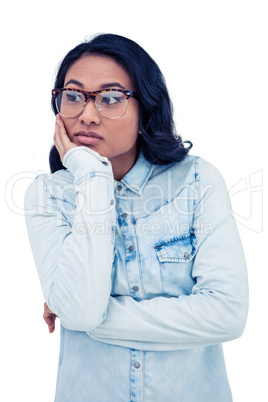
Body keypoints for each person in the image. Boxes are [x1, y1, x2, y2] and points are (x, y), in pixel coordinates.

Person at [24, 33, 248, 402]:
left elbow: (227, 313)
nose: (87, 115)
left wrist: (91, 317)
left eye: (111, 98)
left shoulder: (197, 182)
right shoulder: (48, 196)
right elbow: (79, 311)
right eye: (74, 96)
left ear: (146, 107)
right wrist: (92, 177)